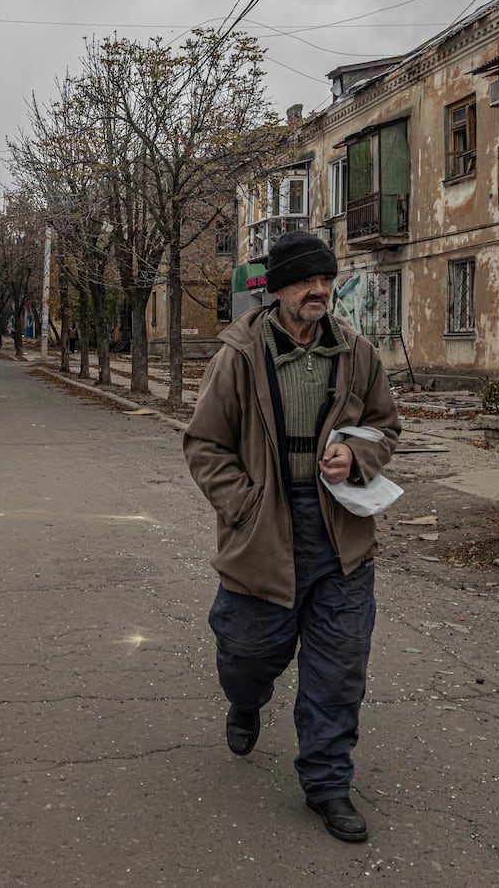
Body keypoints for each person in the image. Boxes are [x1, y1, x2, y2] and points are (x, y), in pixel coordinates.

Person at [183, 229, 400, 843]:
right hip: (264, 530)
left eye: (326, 279)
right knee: (248, 651)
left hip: (341, 533)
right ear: (277, 289)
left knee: (339, 668)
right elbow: (204, 444)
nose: (320, 290)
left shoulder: (356, 353)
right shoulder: (240, 355)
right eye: (307, 280)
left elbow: (385, 428)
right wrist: (244, 506)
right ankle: (246, 701)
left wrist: (356, 458)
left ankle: (327, 785)